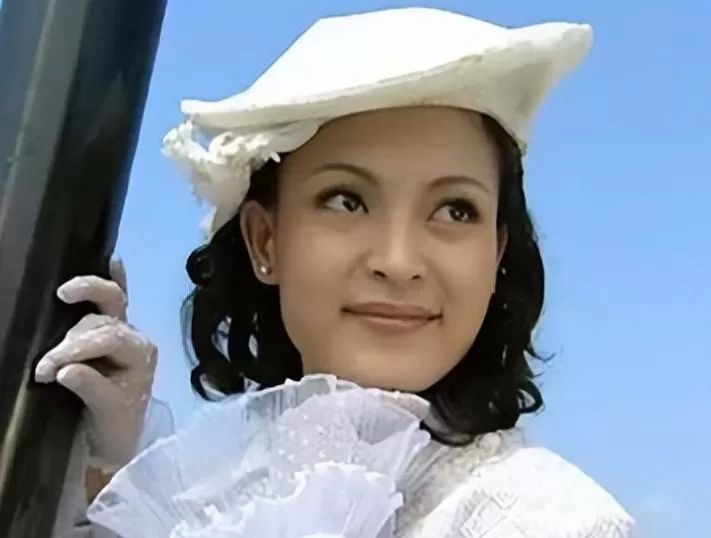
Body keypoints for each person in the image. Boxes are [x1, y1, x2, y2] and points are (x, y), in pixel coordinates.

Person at [42, 7, 635, 537]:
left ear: (496, 254)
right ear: (265, 240)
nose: (398, 263)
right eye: (346, 201)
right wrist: (94, 462)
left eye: (456, 210)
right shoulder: (194, 496)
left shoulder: (557, 522)